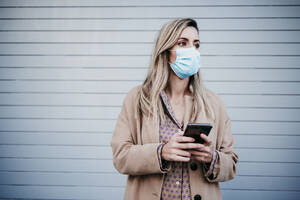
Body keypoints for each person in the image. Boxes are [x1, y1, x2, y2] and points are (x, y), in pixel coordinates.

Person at [110, 18, 239, 200]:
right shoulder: (137, 99)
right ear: (165, 51)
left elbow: (231, 164)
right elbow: (120, 157)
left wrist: (212, 158)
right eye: (182, 43)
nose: (192, 51)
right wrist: (161, 152)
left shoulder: (214, 103)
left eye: (196, 45)